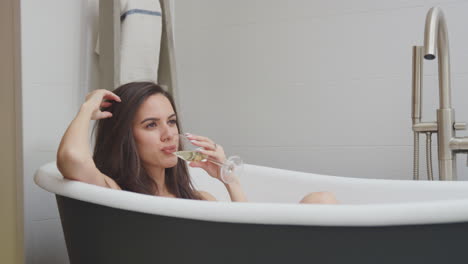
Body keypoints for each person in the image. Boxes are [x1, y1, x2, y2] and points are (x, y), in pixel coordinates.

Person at [57, 82, 337, 204]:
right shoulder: (116, 193)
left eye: (171, 121)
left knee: (321, 200)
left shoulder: (198, 198)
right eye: (151, 125)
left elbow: (246, 241)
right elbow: (73, 158)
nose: (168, 134)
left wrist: (229, 179)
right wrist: (87, 108)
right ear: (124, 137)